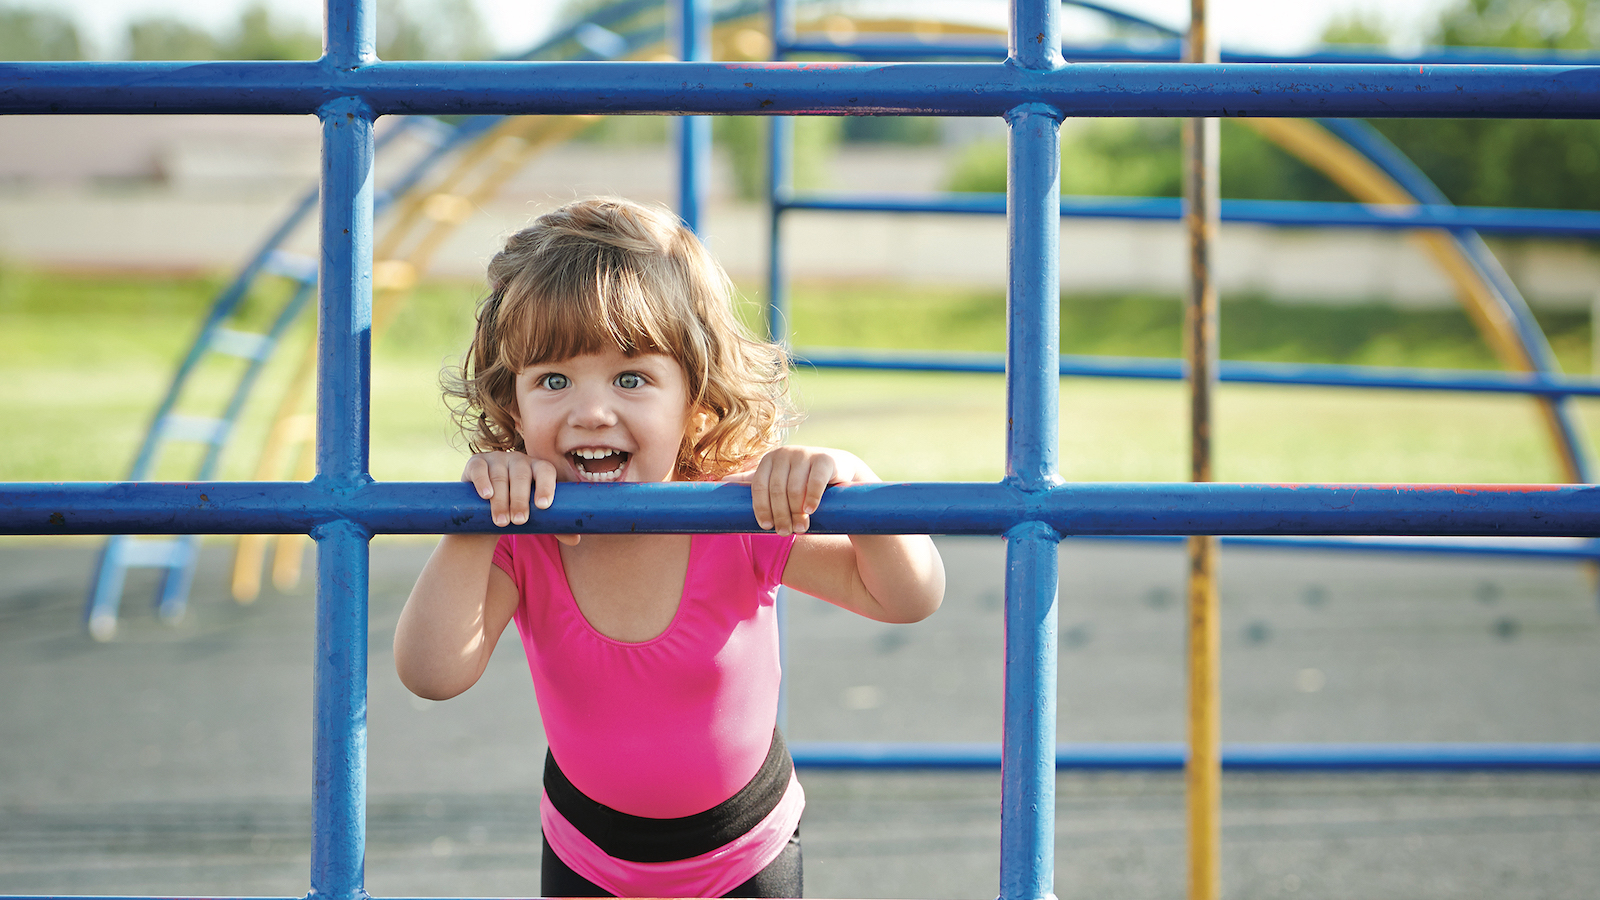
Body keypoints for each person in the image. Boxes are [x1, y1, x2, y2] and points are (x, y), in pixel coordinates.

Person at [393, 198, 945, 899]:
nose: (591, 411)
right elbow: (431, 674)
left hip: (743, 853)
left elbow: (907, 597)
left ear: (695, 398)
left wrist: (856, 486)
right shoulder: (524, 538)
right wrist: (471, 525)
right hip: (588, 853)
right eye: (553, 381)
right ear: (513, 406)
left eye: (632, 378)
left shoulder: (735, 517)